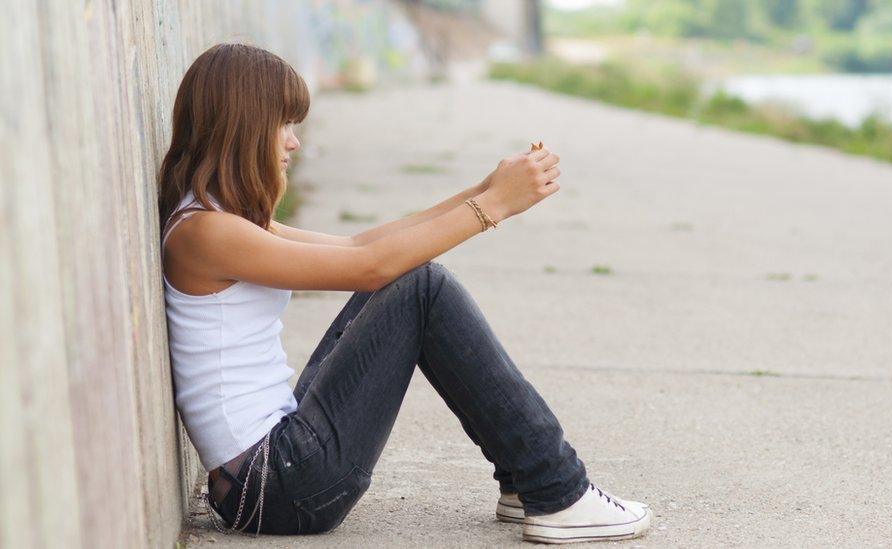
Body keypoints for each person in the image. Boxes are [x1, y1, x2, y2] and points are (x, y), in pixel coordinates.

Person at [158, 43, 651, 544]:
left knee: (406, 279)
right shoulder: (207, 233)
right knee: (420, 286)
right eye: (282, 124)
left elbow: (360, 246)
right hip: (277, 487)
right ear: (241, 126)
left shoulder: (218, 219)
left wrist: (484, 191)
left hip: (274, 473)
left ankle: (526, 481)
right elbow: (371, 265)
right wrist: (494, 208)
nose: (294, 142)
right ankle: (558, 490)